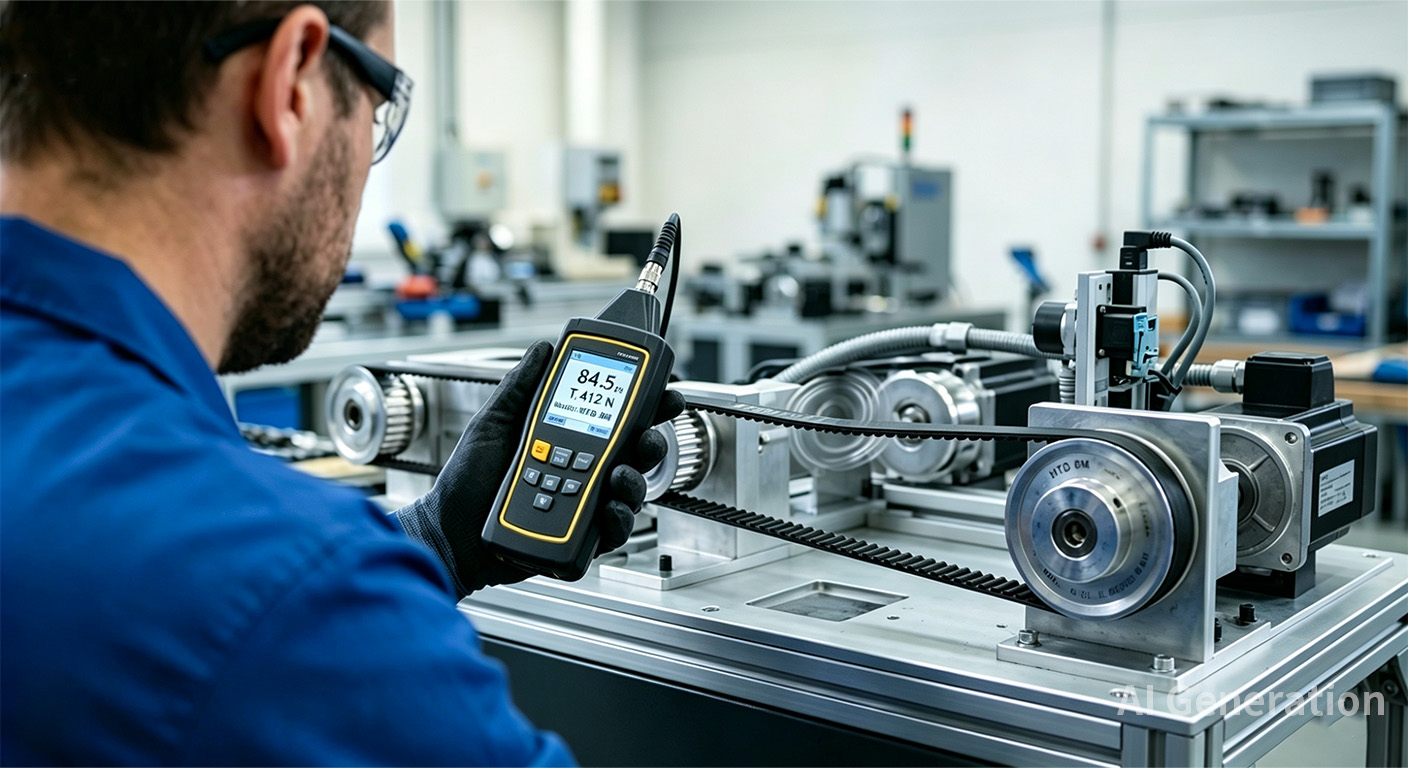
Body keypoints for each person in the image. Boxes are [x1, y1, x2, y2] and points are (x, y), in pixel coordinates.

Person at [0, 2, 683, 764]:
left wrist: (435, 541)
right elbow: (243, 606)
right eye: (377, 109)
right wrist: (349, 585)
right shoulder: (293, 595)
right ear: (291, 83)